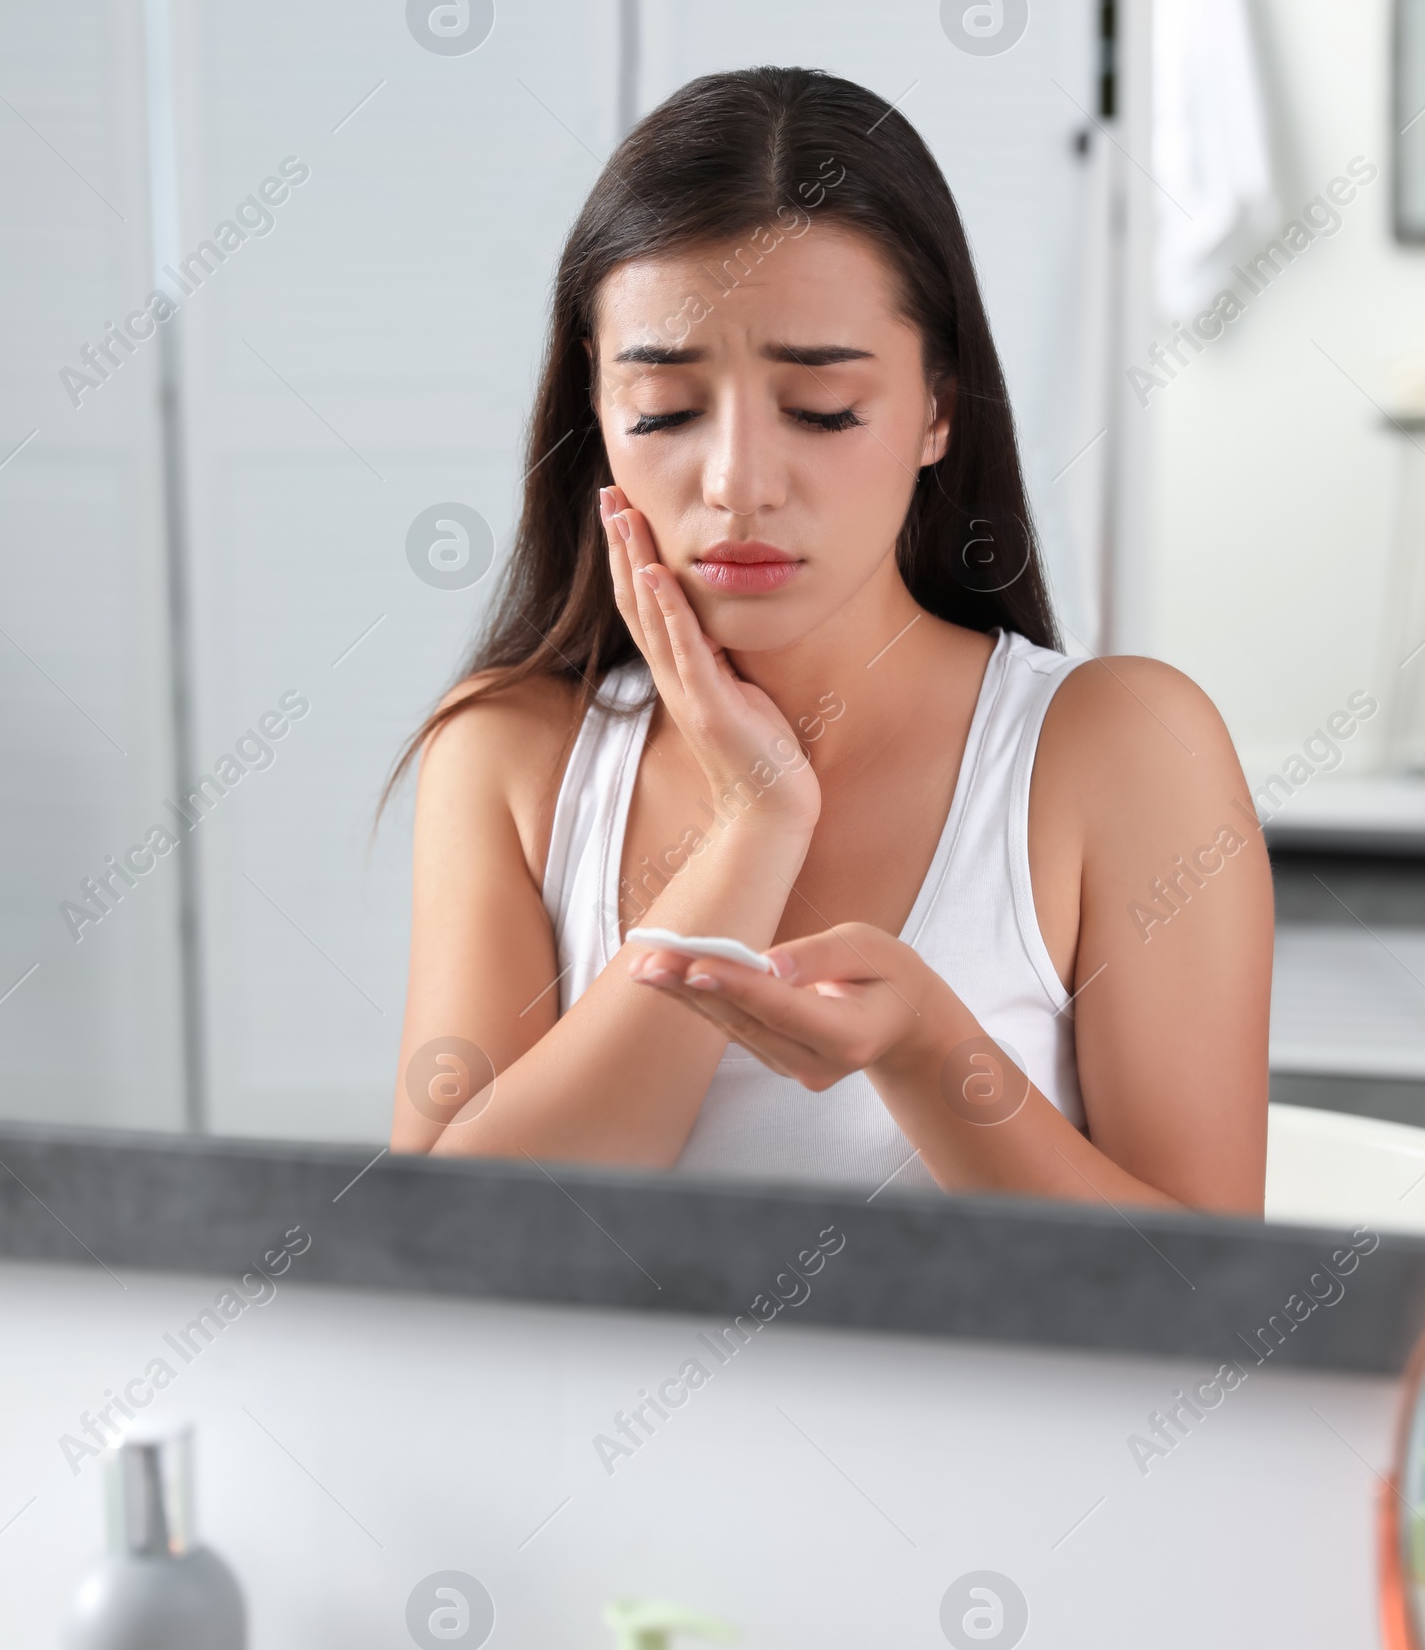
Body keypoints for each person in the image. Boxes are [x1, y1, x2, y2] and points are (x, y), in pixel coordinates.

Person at [386, 66, 1271, 1210]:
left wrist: (927, 1051)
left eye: (821, 411)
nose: (737, 483)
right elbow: (446, 1250)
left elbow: (1212, 1308)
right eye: (661, 410)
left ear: (938, 410)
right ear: (597, 424)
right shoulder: (510, 752)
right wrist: (756, 826)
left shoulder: (1122, 750)